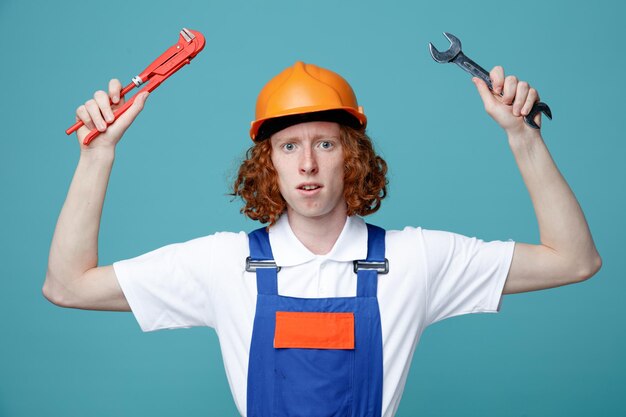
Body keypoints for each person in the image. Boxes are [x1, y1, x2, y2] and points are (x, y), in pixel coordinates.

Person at [44, 61, 601, 417]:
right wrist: (98, 156)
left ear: (353, 156)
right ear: (269, 164)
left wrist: (523, 139)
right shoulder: (223, 263)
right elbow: (68, 286)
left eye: (326, 144)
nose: (307, 163)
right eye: (289, 146)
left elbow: (574, 261)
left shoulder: (416, 259)